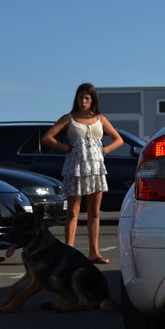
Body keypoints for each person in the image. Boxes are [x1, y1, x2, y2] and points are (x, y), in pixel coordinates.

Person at [42, 83, 123, 264]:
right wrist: (64, 147)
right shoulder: (69, 118)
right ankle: (68, 252)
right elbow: (47, 137)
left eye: (87, 98)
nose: (83, 101)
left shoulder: (100, 119)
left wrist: (105, 150)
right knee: (73, 212)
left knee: (94, 213)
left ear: (92, 100)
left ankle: (94, 253)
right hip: (75, 169)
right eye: (80, 97)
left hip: (96, 169)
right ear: (76, 99)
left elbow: (119, 139)